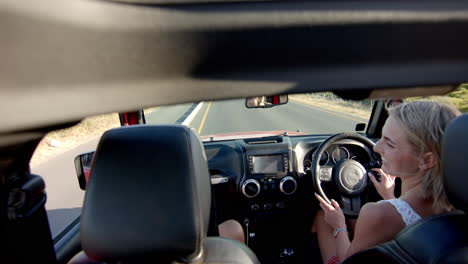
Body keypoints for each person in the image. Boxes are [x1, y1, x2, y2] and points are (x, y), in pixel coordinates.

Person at [312, 100, 461, 264]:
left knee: (322, 218)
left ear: (426, 160)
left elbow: (347, 260)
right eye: (381, 138)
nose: (377, 148)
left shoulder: (377, 214)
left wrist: (339, 226)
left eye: (389, 144)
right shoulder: (458, 206)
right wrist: (390, 196)